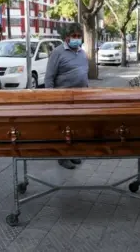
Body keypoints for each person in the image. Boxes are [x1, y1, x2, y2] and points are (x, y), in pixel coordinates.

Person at [45, 23, 89, 170]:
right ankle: (62, 157)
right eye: (74, 36)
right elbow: (49, 78)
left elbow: (84, 74)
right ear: (67, 37)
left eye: (78, 36)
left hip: (80, 98)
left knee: (76, 128)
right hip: (63, 99)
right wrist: (51, 99)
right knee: (64, 129)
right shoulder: (57, 52)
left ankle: (72, 153)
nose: (76, 38)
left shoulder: (82, 53)